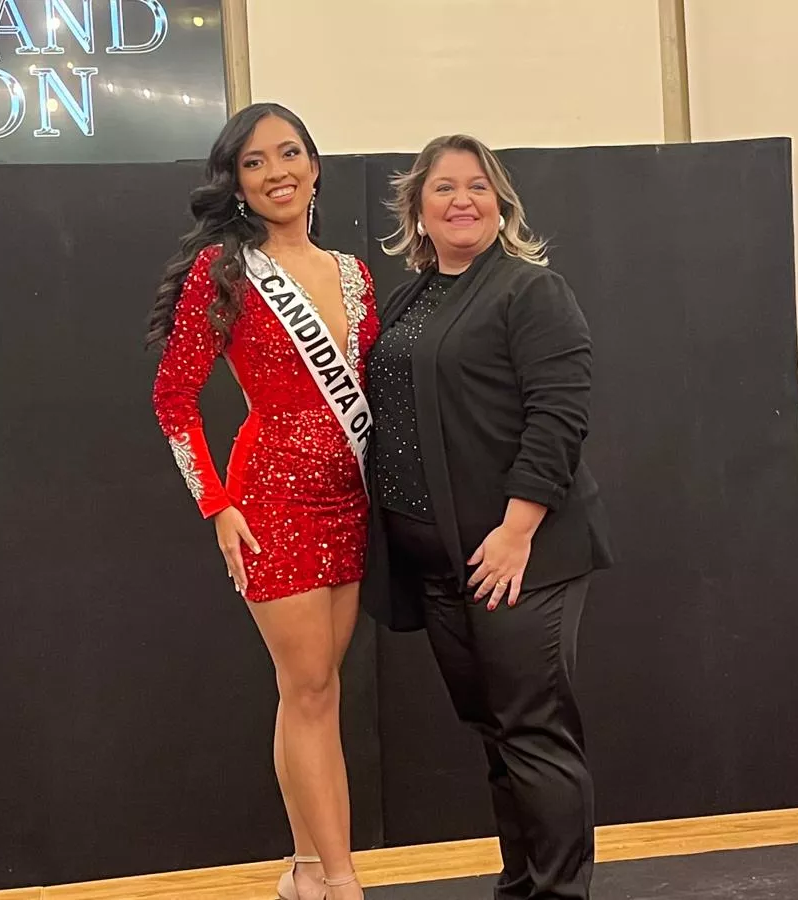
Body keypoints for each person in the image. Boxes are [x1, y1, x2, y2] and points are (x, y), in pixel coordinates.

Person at [363, 134, 613, 900]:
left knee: (532, 730)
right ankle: (522, 886)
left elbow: (560, 417)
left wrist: (515, 532)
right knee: (497, 734)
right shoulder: (407, 298)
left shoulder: (530, 292)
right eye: (442, 188)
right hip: (439, 565)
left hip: (521, 556)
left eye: (477, 186)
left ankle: (560, 892)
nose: (461, 199)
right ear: (418, 212)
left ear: (501, 204)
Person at [148, 102, 377, 900]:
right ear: (236, 183)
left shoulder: (354, 272)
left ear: (315, 167)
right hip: (270, 498)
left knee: (314, 690)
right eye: (254, 161)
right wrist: (218, 506)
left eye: (289, 154)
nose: (276, 171)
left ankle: (308, 872)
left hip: (350, 497)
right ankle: (345, 882)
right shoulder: (226, 272)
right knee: (310, 689)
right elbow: (174, 400)